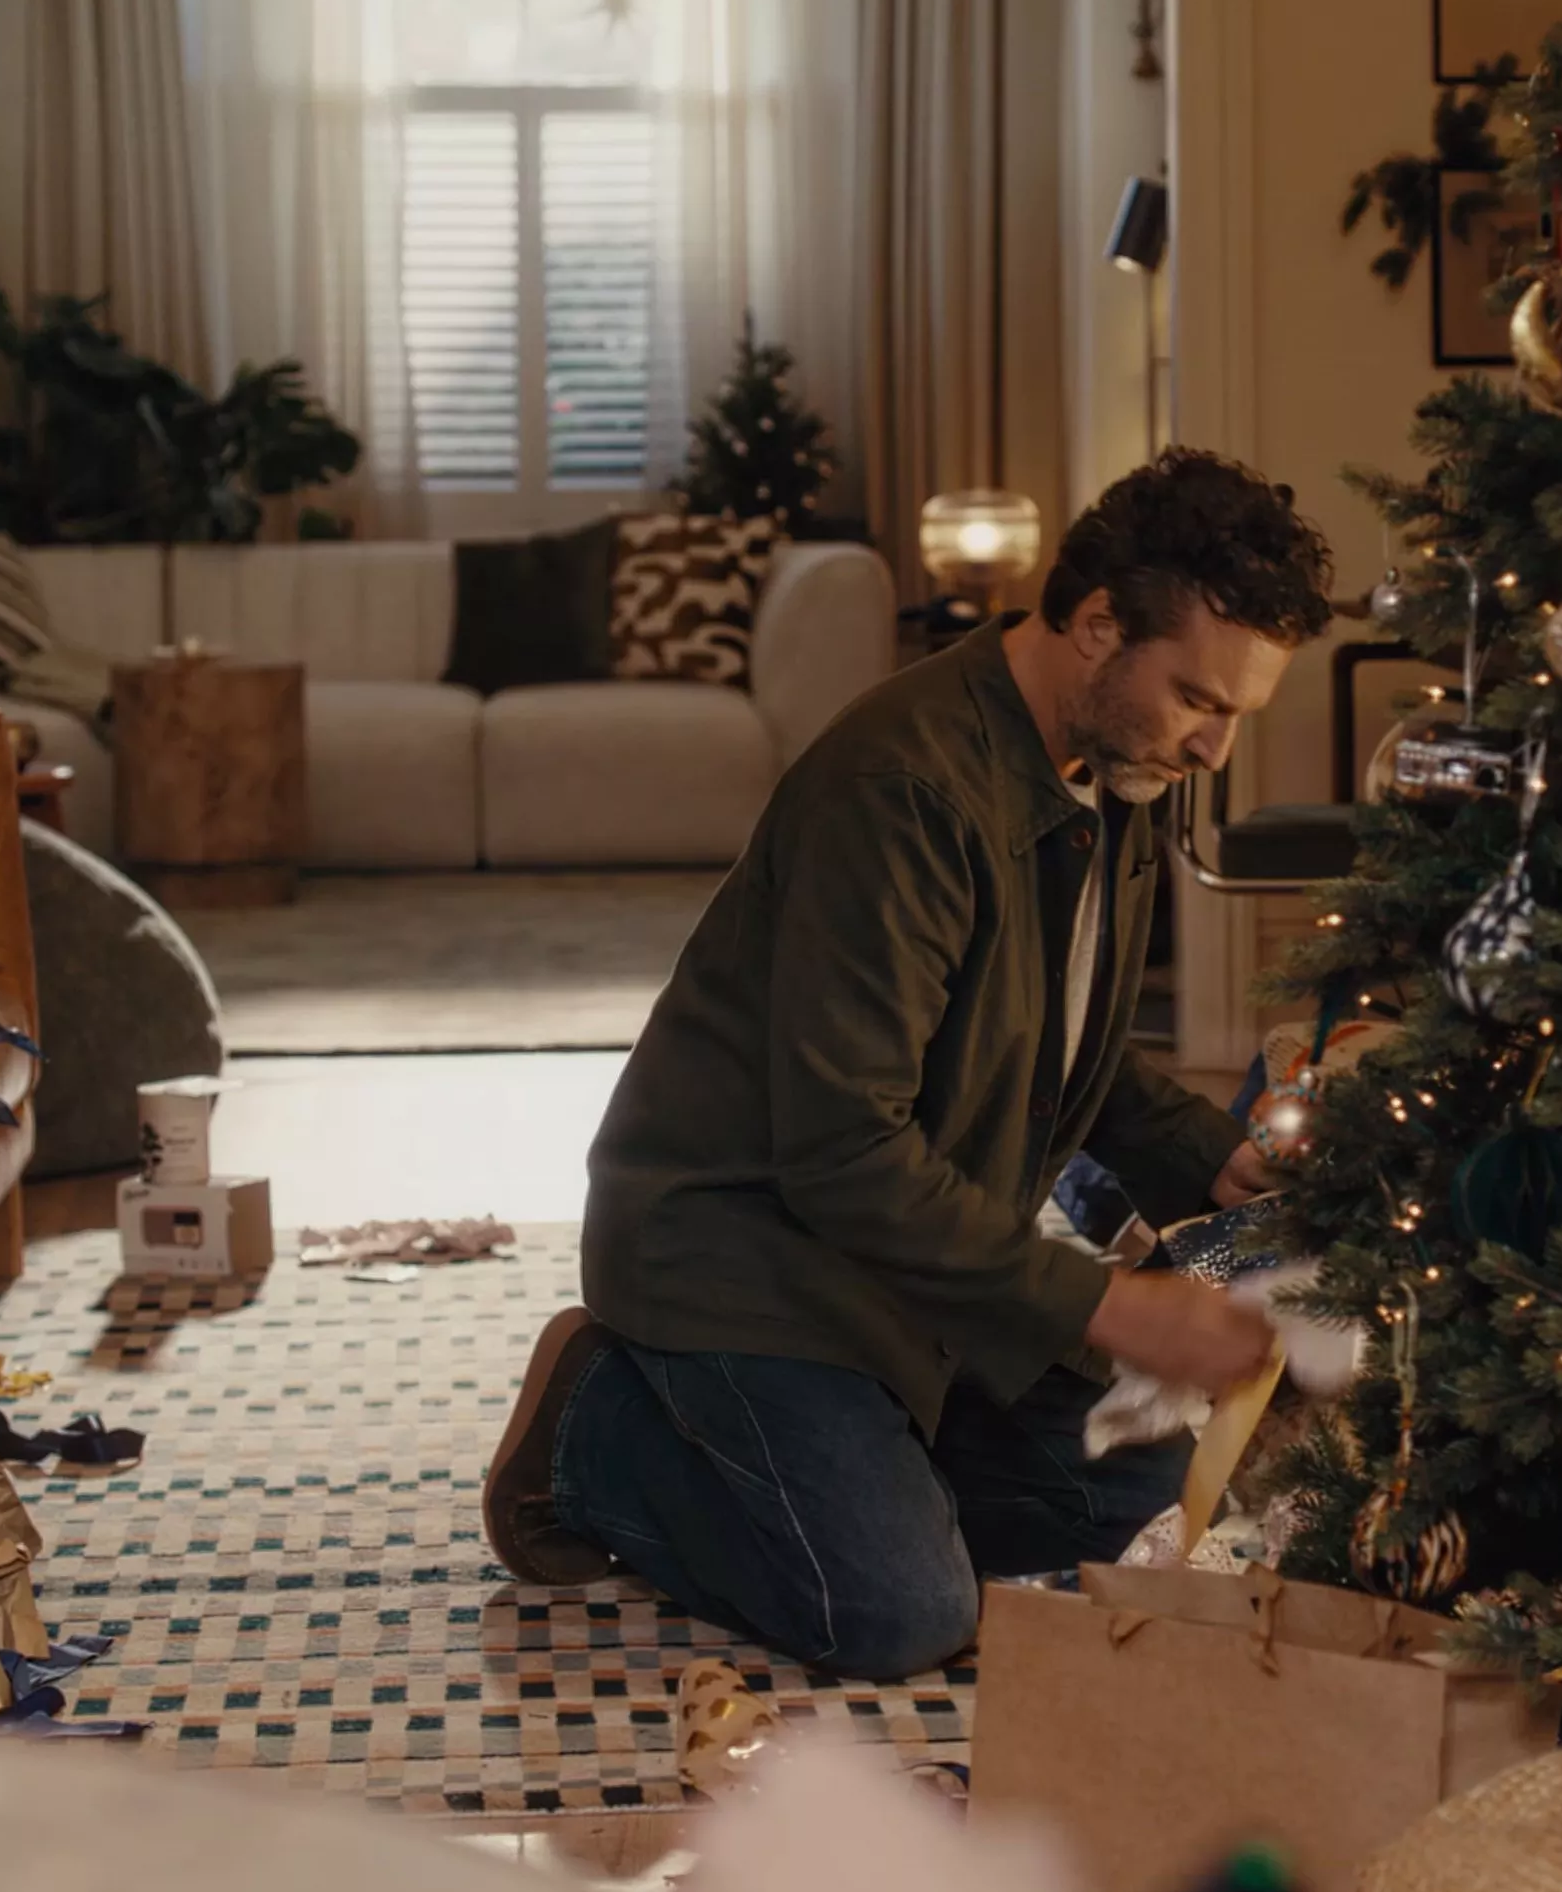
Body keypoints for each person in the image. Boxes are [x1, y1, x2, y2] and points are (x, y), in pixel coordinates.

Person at [481, 450, 1339, 1678]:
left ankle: (857, 1463)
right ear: (1098, 625)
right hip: (747, 1260)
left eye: (1239, 712)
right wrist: (1108, 1302)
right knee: (894, 1615)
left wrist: (1220, 1159)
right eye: (1202, 700)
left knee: (1141, 1492)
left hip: (915, 1278)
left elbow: (1058, 1049)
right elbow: (844, 1154)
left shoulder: (1112, 763)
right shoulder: (902, 789)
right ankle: (599, 1431)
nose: (1217, 747)